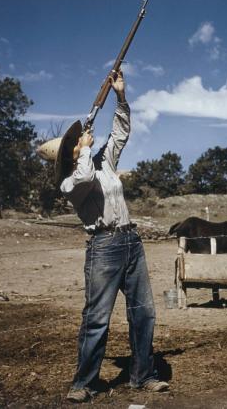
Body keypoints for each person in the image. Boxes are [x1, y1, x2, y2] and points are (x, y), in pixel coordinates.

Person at [38, 71, 169, 403]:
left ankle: (143, 376)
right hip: (104, 247)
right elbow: (82, 175)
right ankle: (83, 383)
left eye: (78, 141)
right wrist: (84, 150)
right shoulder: (70, 183)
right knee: (96, 318)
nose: (80, 143)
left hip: (131, 242)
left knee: (144, 312)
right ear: (67, 157)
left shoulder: (102, 163)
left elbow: (121, 133)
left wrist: (120, 96)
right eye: (72, 146)